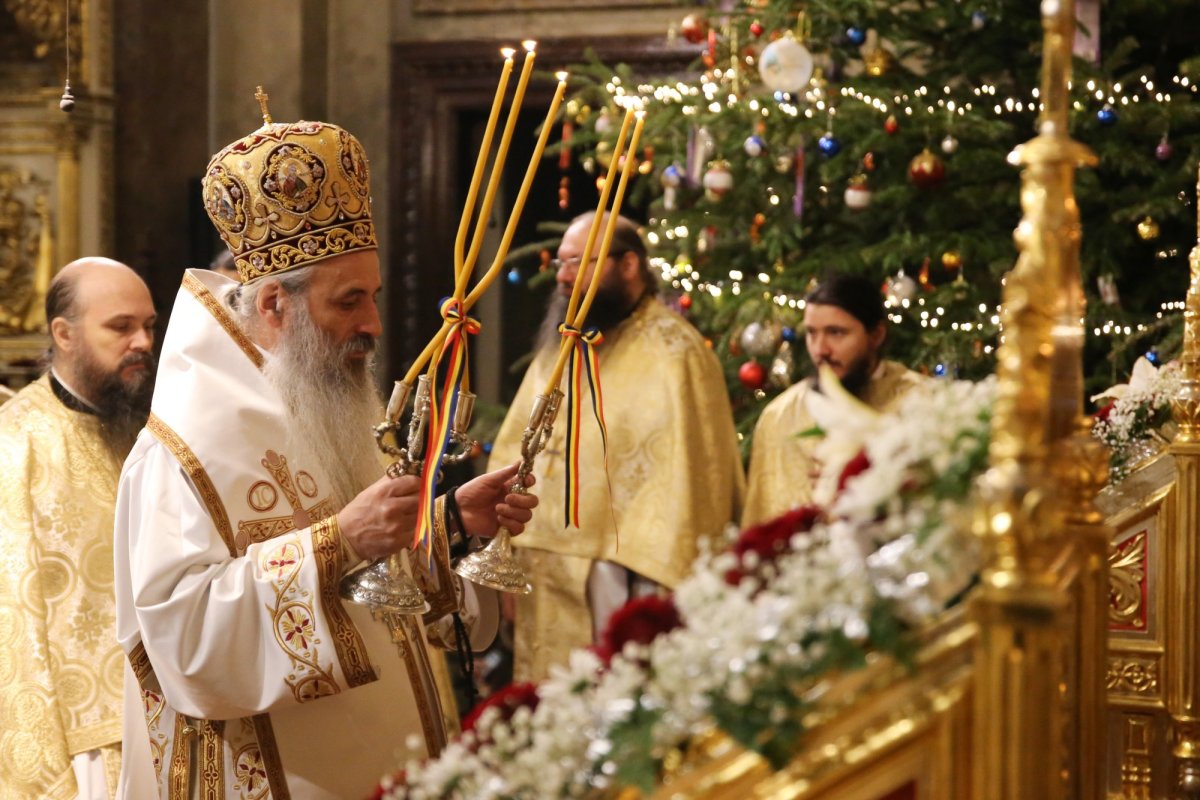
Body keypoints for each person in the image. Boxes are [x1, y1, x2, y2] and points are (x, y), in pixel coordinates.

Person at [113, 114, 537, 799]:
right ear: (276, 303)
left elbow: (375, 593)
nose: (372, 324)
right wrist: (339, 541)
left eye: (371, 296)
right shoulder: (180, 455)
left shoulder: (325, 404)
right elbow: (184, 645)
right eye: (350, 302)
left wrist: (452, 524)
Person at [489, 212, 745, 683]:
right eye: (561, 263)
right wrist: (505, 552)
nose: (564, 276)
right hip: (544, 567)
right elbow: (516, 450)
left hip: (624, 573)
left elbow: (694, 485)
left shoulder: (676, 352)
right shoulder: (560, 347)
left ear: (629, 265)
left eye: (580, 263)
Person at [0, 258, 156, 798]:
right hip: (85, 748)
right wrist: (39, 768)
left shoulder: (148, 432)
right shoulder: (15, 447)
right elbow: (12, 623)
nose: (142, 341)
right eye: (121, 326)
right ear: (64, 334)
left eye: (149, 326)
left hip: (170, 726)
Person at [743, 271, 925, 526]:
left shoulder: (922, 404)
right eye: (811, 333)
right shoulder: (780, 416)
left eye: (836, 333)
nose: (820, 350)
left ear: (876, 336)